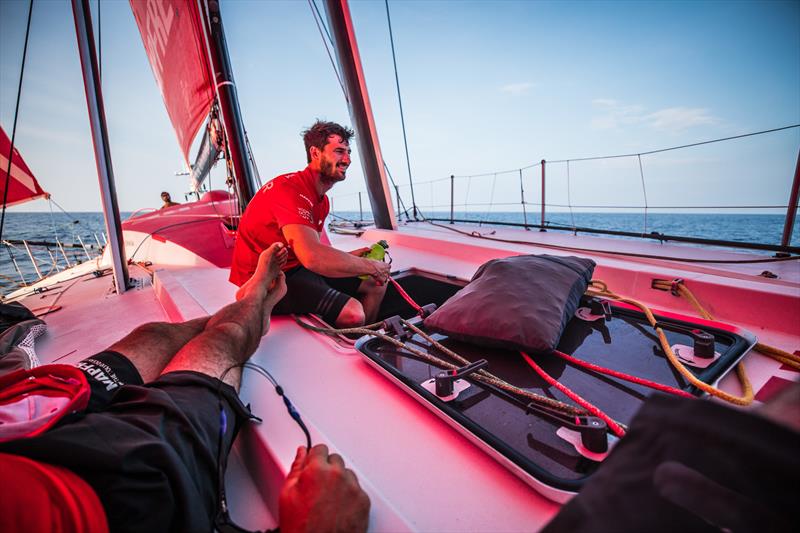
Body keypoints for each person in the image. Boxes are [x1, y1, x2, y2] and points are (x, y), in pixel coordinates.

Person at [0, 243, 370, 533]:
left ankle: (249, 306)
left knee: (152, 335)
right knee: (225, 340)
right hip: (98, 497)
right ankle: (254, 306)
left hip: (17, 423)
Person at [229, 120, 391, 328]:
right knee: (353, 313)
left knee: (376, 283)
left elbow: (315, 252)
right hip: (268, 280)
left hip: (298, 268)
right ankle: (351, 349)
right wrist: (370, 266)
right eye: (340, 151)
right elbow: (312, 256)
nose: (347, 160)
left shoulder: (320, 200)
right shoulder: (289, 190)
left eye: (349, 152)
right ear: (315, 153)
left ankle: (365, 339)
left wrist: (353, 259)